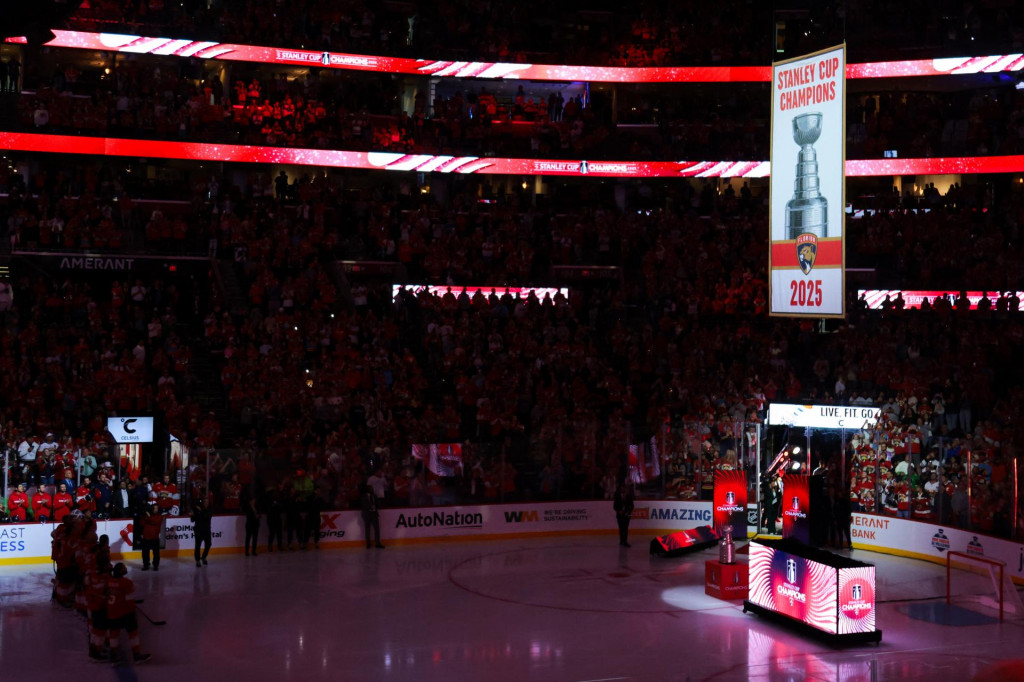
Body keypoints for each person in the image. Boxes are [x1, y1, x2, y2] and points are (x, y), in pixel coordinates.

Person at [105, 563, 151, 664]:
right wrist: (133, 609)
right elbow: (129, 600)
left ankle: (114, 655)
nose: (126, 569)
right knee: (133, 632)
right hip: (125, 613)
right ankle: (136, 654)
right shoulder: (127, 583)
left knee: (114, 633)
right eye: (124, 568)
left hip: (112, 612)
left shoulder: (108, 581)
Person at [360, 484, 384, 549]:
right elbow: (364, 505)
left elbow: (377, 503)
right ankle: (368, 544)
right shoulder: (363, 496)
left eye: (372, 488)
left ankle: (377, 543)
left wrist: (377, 505)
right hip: (367, 514)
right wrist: (371, 507)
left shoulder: (374, 496)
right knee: (367, 529)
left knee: (377, 529)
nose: (372, 489)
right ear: (367, 489)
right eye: (371, 488)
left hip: (374, 513)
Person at [191, 496, 213, 566]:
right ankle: (197, 560)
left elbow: (205, 516)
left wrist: (200, 510)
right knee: (198, 546)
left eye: (207, 502)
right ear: (202, 502)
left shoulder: (209, 510)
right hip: (198, 530)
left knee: (208, 544)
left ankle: (204, 557)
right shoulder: (197, 509)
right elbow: (192, 520)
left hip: (206, 530)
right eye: (204, 502)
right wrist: (192, 514)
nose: (206, 503)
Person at [140, 505, 163, 571]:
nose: (155, 509)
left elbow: (155, 522)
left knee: (156, 553)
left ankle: (155, 565)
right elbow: (141, 523)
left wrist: (149, 516)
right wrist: (144, 516)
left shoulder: (159, 516)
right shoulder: (147, 516)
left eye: (157, 508)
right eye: (154, 508)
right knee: (145, 553)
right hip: (146, 537)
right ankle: (146, 565)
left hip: (154, 538)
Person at [613, 483, 634, 547]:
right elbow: (614, 506)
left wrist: (629, 511)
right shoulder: (617, 496)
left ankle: (625, 541)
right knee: (621, 528)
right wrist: (619, 511)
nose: (623, 489)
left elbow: (632, 506)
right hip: (620, 515)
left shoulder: (629, 496)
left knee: (625, 528)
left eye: (624, 488)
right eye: (622, 488)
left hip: (627, 514)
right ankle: (621, 540)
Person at [242, 491, 259, 556]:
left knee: (255, 538)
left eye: (254, 500)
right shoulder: (247, 507)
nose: (254, 501)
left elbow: (259, 514)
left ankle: (253, 551)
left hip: (256, 524)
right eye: (253, 500)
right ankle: (246, 551)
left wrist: (257, 515)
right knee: (248, 538)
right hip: (249, 524)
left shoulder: (256, 507)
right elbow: (248, 515)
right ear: (250, 501)